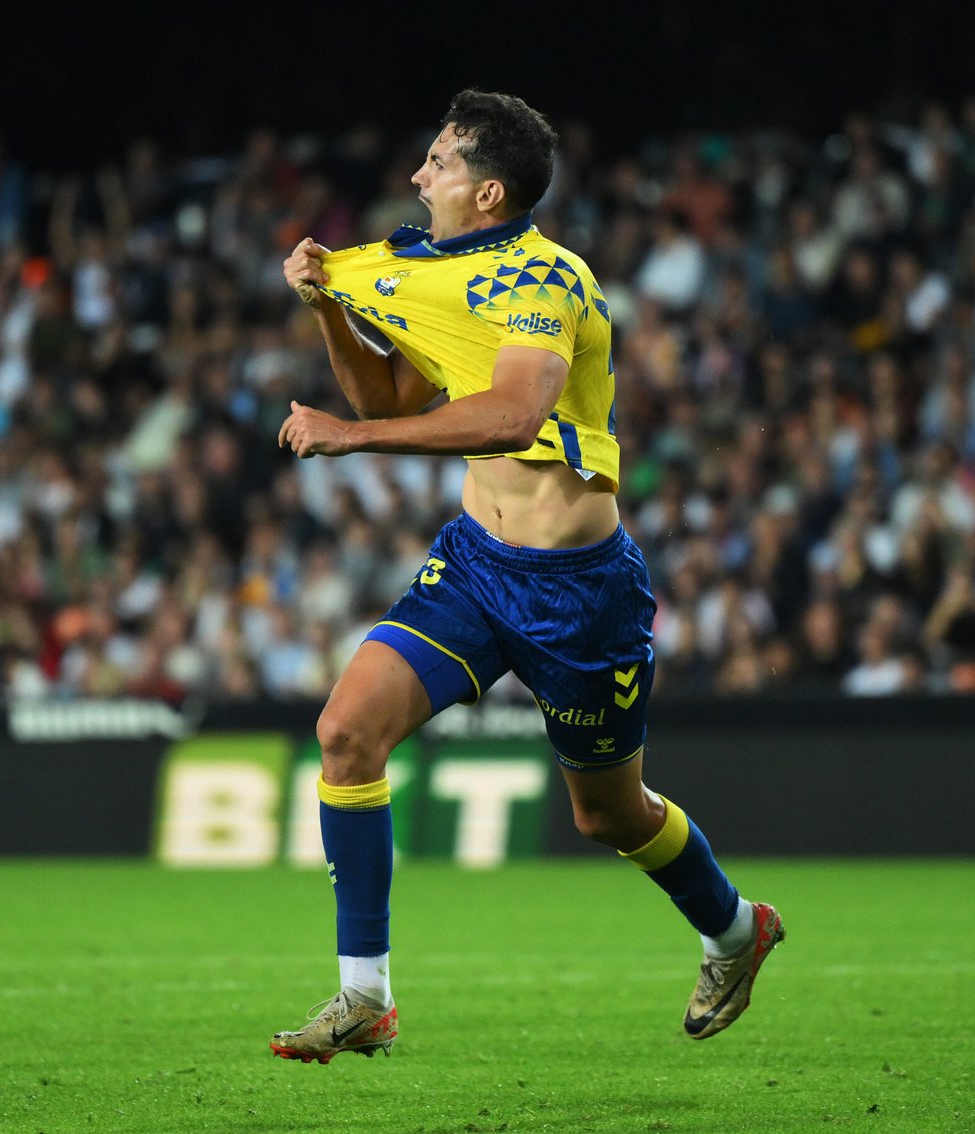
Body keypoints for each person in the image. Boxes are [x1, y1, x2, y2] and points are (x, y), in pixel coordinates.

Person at [270, 90, 782, 1063]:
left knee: (608, 815)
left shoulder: (546, 279)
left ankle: (732, 929)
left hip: (577, 590)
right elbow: (383, 389)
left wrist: (355, 439)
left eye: (438, 163)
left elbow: (513, 418)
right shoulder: (442, 283)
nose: (419, 177)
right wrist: (330, 309)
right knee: (345, 733)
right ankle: (363, 996)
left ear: (488, 189)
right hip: (473, 564)